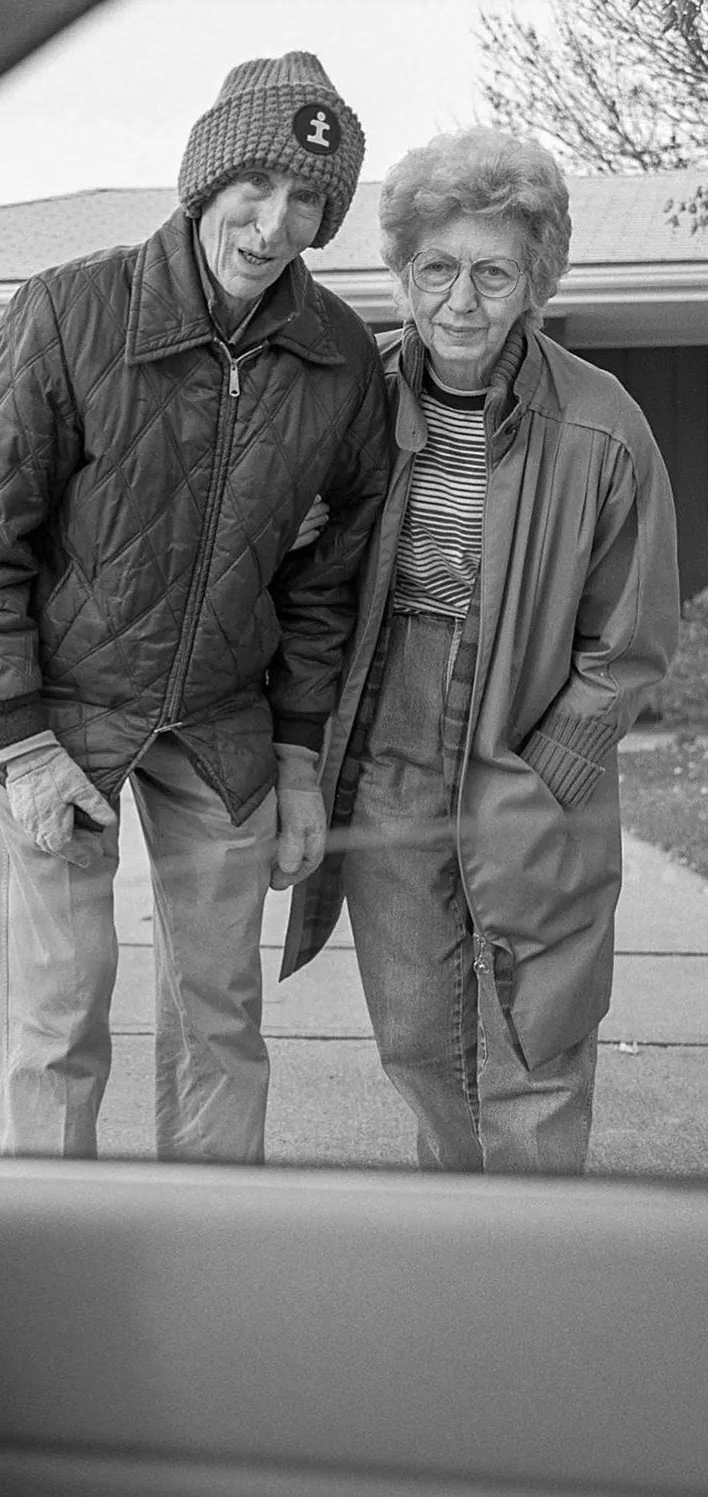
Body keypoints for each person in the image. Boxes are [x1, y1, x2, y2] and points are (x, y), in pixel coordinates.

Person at [0, 52, 390, 1163]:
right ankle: (55, 1263)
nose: (276, 225)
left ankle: (205, 1263)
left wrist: (294, 759)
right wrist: (25, 743)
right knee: (56, 1019)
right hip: (65, 712)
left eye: (309, 202)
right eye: (258, 188)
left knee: (223, 1019)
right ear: (206, 179)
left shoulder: (338, 361)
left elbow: (326, 588)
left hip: (226, 721)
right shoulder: (70, 311)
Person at [282, 126, 681, 1175]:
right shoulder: (348, 394)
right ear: (404, 274)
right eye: (438, 268)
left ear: (535, 281)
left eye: (493, 272)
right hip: (390, 750)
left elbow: (633, 638)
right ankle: (468, 1248)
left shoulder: (603, 425)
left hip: (529, 747)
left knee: (533, 1039)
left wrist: (550, 768)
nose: (462, 300)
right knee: (417, 1035)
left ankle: (536, 1281)